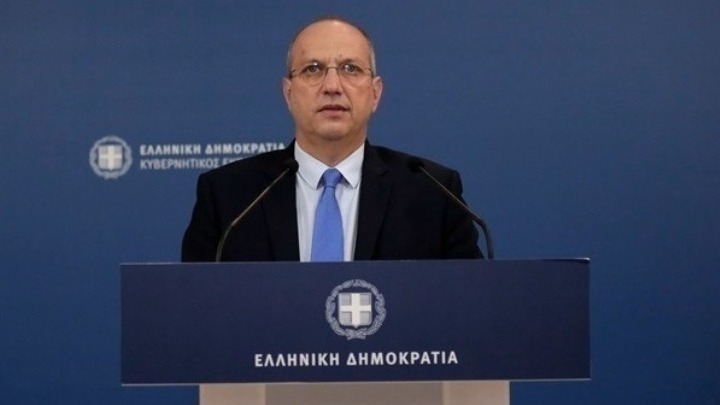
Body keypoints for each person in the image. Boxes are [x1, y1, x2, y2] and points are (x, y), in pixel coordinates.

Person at [182, 17, 480, 262]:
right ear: (288, 93)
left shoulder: (433, 193)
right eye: (313, 69)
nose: (333, 86)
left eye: (351, 69)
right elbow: (196, 303)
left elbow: (467, 301)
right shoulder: (229, 197)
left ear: (375, 93)